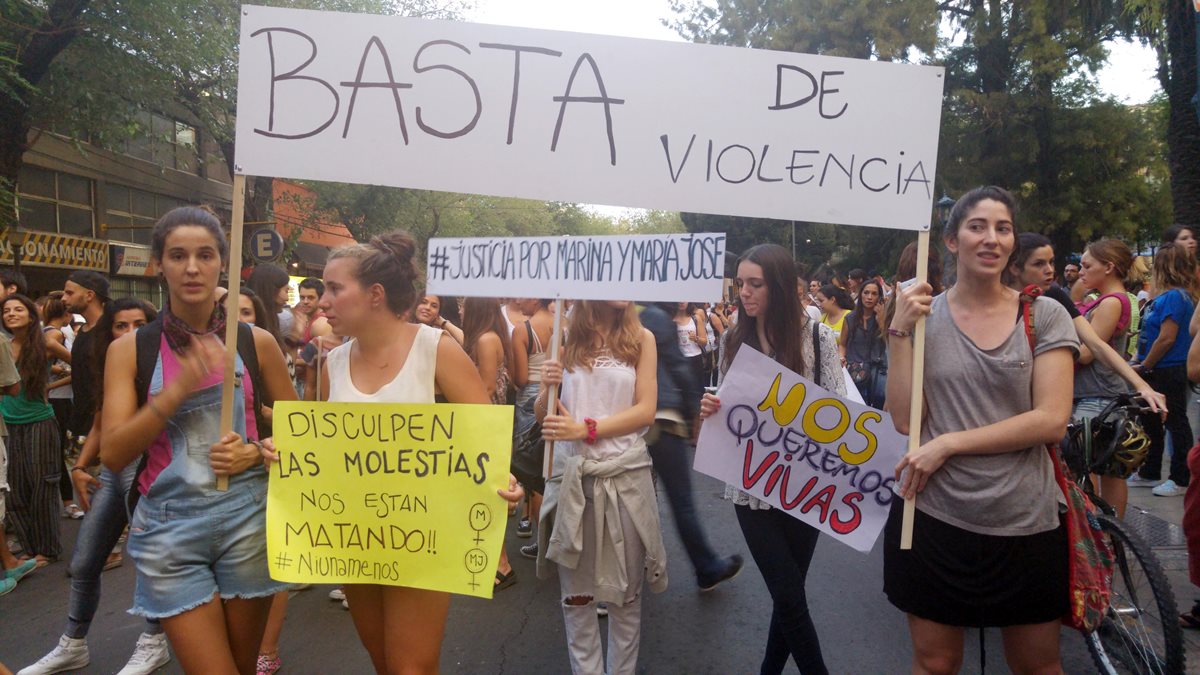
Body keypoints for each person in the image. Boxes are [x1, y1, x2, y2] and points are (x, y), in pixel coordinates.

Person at [267, 231, 521, 674]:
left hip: (421, 536)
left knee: (411, 669)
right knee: (384, 663)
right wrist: (286, 451)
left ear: (375, 294)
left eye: (334, 288)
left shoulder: (435, 348)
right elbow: (328, 451)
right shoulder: (333, 363)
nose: (322, 301)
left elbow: (485, 437)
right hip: (356, 538)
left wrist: (506, 480)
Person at [885, 186, 1078, 674]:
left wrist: (948, 444)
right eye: (977, 226)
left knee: (1038, 666)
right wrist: (900, 331)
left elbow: (1051, 418)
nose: (991, 238)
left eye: (1003, 228)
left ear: (1013, 242)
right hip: (933, 518)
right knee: (934, 665)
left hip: (1026, 521)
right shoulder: (923, 319)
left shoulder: (1045, 314)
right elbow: (907, 421)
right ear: (951, 241)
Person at [99, 206, 298, 674]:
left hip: (249, 519)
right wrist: (174, 392)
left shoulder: (256, 342)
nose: (192, 267)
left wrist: (254, 452)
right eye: (178, 255)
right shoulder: (130, 349)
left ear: (221, 264)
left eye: (205, 255)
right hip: (169, 531)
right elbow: (113, 454)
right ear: (159, 265)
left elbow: (303, 434)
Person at [699, 243, 843, 675]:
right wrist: (711, 408)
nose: (744, 292)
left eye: (755, 283)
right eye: (741, 283)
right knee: (788, 592)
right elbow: (727, 405)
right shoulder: (731, 339)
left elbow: (836, 411)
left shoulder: (818, 337)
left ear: (779, 286)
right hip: (750, 486)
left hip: (805, 487)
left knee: (789, 596)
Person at [18, 298, 169, 675]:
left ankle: (154, 640)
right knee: (84, 562)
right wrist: (81, 466)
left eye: (139, 324)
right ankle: (73, 644)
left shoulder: (166, 366)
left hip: (153, 471)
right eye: (121, 325)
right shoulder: (115, 366)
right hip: (117, 472)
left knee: (152, 563)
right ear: (111, 331)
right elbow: (102, 423)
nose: (131, 332)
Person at [536, 299, 664, 675]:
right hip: (573, 479)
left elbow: (646, 410)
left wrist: (587, 429)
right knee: (576, 597)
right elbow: (546, 417)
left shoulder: (642, 338)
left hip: (625, 480)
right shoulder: (563, 334)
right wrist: (546, 389)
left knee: (625, 595)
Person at [640, 301, 742, 590]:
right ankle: (706, 566)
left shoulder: (626, 314)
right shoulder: (655, 317)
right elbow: (677, 364)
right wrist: (690, 411)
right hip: (662, 416)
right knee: (680, 499)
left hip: (632, 415)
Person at [1072, 239, 1140, 516]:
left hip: (1098, 395)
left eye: (1087, 265)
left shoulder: (1112, 302)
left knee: (1101, 471)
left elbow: (1088, 353)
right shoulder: (1105, 299)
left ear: (1109, 267)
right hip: (1099, 393)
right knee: (1105, 471)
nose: (1081, 271)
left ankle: (1109, 538)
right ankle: (1111, 539)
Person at [3, 293, 70, 566]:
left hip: (40, 422)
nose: (11, 313)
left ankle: (47, 548)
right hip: (8, 425)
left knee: (43, 486)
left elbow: (82, 366)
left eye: (18, 309)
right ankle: (28, 547)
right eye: (6, 310)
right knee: (14, 489)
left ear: (32, 316)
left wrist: (51, 387)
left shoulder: (44, 343)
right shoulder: (2, 345)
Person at [1130, 243, 1198, 496]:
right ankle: (1150, 471)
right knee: (1150, 420)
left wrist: (1145, 366)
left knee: (1175, 422)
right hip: (1157, 367)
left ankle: (1180, 478)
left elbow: (1167, 338)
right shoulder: (1171, 296)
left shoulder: (1175, 297)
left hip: (1168, 368)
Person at [461, 296, 517, 590]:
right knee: (490, 491)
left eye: (464, 306)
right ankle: (497, 561)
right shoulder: (494, 336)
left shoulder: (484, 339)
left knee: (489, 492)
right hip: (494, 420)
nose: (459, 310)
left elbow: (486, 386)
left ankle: (502, 564)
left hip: (485, 422)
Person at [511, 298, 555, 556]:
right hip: (558, 397)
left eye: (523, 295)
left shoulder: (522, 330)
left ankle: (544, 543)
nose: (518, 300)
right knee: (552, 469)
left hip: (531, 400)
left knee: (534, 473)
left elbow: (521, 377)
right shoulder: (566, 325)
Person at [38, 294, 81, 520]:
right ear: (65, 314)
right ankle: (66, 502)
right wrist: (78, 362)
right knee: (55, 453)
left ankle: (65, 502)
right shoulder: (55, 332)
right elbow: (49, 345)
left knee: (54, 453)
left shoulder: (49, 331)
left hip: (52, 398)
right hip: (50, 400)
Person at [61, 271, 108, 456]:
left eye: (69, 293)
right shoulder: (82, 332)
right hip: (78, 426)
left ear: (89, 295)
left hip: (103, 431)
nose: (64, 298)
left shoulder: (109, 331)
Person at [839, 279, 887, 408]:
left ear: (879, 297)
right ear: (860, 294)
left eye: (874, 293)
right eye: (866, 293)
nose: (869, 297)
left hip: (877, 372)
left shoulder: (885, 317)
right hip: (855, 370)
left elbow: (889, 342)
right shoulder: (850, 318)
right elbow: (842, 343)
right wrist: (841, 357)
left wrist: (881, 320)